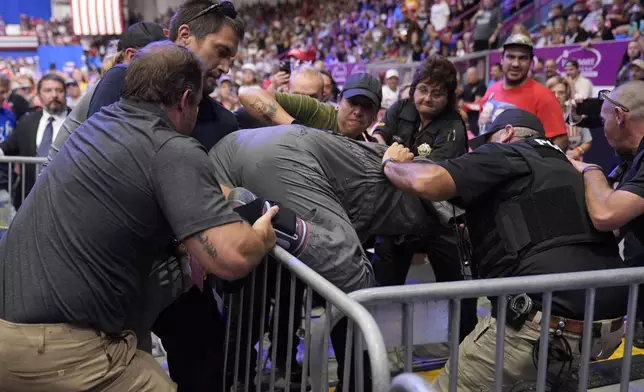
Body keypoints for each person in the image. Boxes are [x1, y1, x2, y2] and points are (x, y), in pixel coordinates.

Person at [0, 41, 277, 392]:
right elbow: (231, 258)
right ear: (185, 99)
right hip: (57, 351)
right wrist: (261, 237)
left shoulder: (98, 125)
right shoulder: (170, 146)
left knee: (144, 358)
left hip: (12, 328)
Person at [382, 108, 628, 390]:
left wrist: (391, 163)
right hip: (605, 328)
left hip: (540, 324)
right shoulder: (572, 168)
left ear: (508, 133)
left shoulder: (509, 152)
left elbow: (425, 181)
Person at [211, 124, 457, 391]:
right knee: (356, 289)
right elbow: (350, 273)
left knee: (252, 296)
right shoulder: (419, 186)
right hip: (278, 166)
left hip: (233, 154)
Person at [369, 54, 475, 340]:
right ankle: (372, 355)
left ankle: (466, 351)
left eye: (437, 93)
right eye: (423, 90)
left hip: (441, 219)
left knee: (460, 294)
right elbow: (377, 139)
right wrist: (389, 152)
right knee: (376, 293)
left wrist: (395, 158)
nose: (427, 98)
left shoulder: (453, 126)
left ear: (449, 96)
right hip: (396, 217)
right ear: (413, 88)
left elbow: (431, 178)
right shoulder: (401, 107)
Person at [570, 81, 644, 348]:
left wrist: (589, 170)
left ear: (620, 116)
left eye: (603, 119)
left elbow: (607, 215)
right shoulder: (631, 159)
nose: (603, 129)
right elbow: (613, 229)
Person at [44, 21, 169, 170]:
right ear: (132, 56)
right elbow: (100, 144)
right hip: (63, 175)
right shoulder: (118, 77)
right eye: (161, 56)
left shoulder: (123, 79)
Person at [480, 34, 569, 150]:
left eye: (522, 58)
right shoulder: (492, 90)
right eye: (511, 57)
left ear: (531, 62)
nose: (515, 64)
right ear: (502, 59)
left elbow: (560, 141)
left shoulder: (544, 96)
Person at [239, 72, 382, 142]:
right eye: (353, 102)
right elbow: (248, 95)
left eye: (367, 106)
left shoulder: (366, 147)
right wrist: (295, 126)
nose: (358, 112)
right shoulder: (315, 110)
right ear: (339, 100)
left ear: (376, 114)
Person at [0, 73, 70, 209]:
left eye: (59, 90)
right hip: (30, 199)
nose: (54, 95)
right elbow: (9, 145)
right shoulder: (27, 121)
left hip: (65, 198)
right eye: (48, 90)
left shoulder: (79, 122)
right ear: (38, 95)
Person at [546, 76, 593, 161]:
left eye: (561, 92)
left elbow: (587, 141)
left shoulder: (575, 114)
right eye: (552, 93)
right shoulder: (542, 116)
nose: (557, 96)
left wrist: (577, 151)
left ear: (566, 94)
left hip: (575, 164)